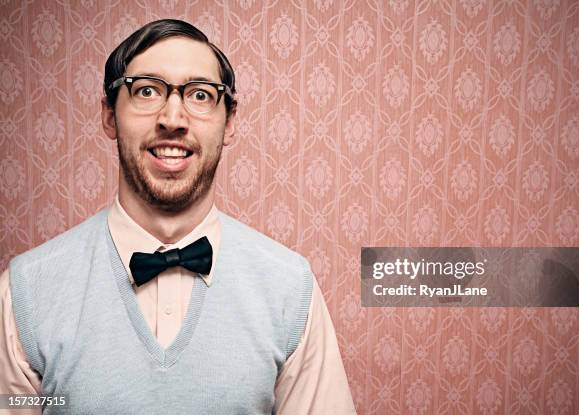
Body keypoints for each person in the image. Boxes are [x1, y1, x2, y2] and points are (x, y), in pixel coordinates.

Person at [0, 19, 355, 414]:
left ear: (230, 121)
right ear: (108, 115)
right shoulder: (26, 292)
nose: (173, 118)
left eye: (200, 95)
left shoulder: (290, 289)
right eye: (147, 90)